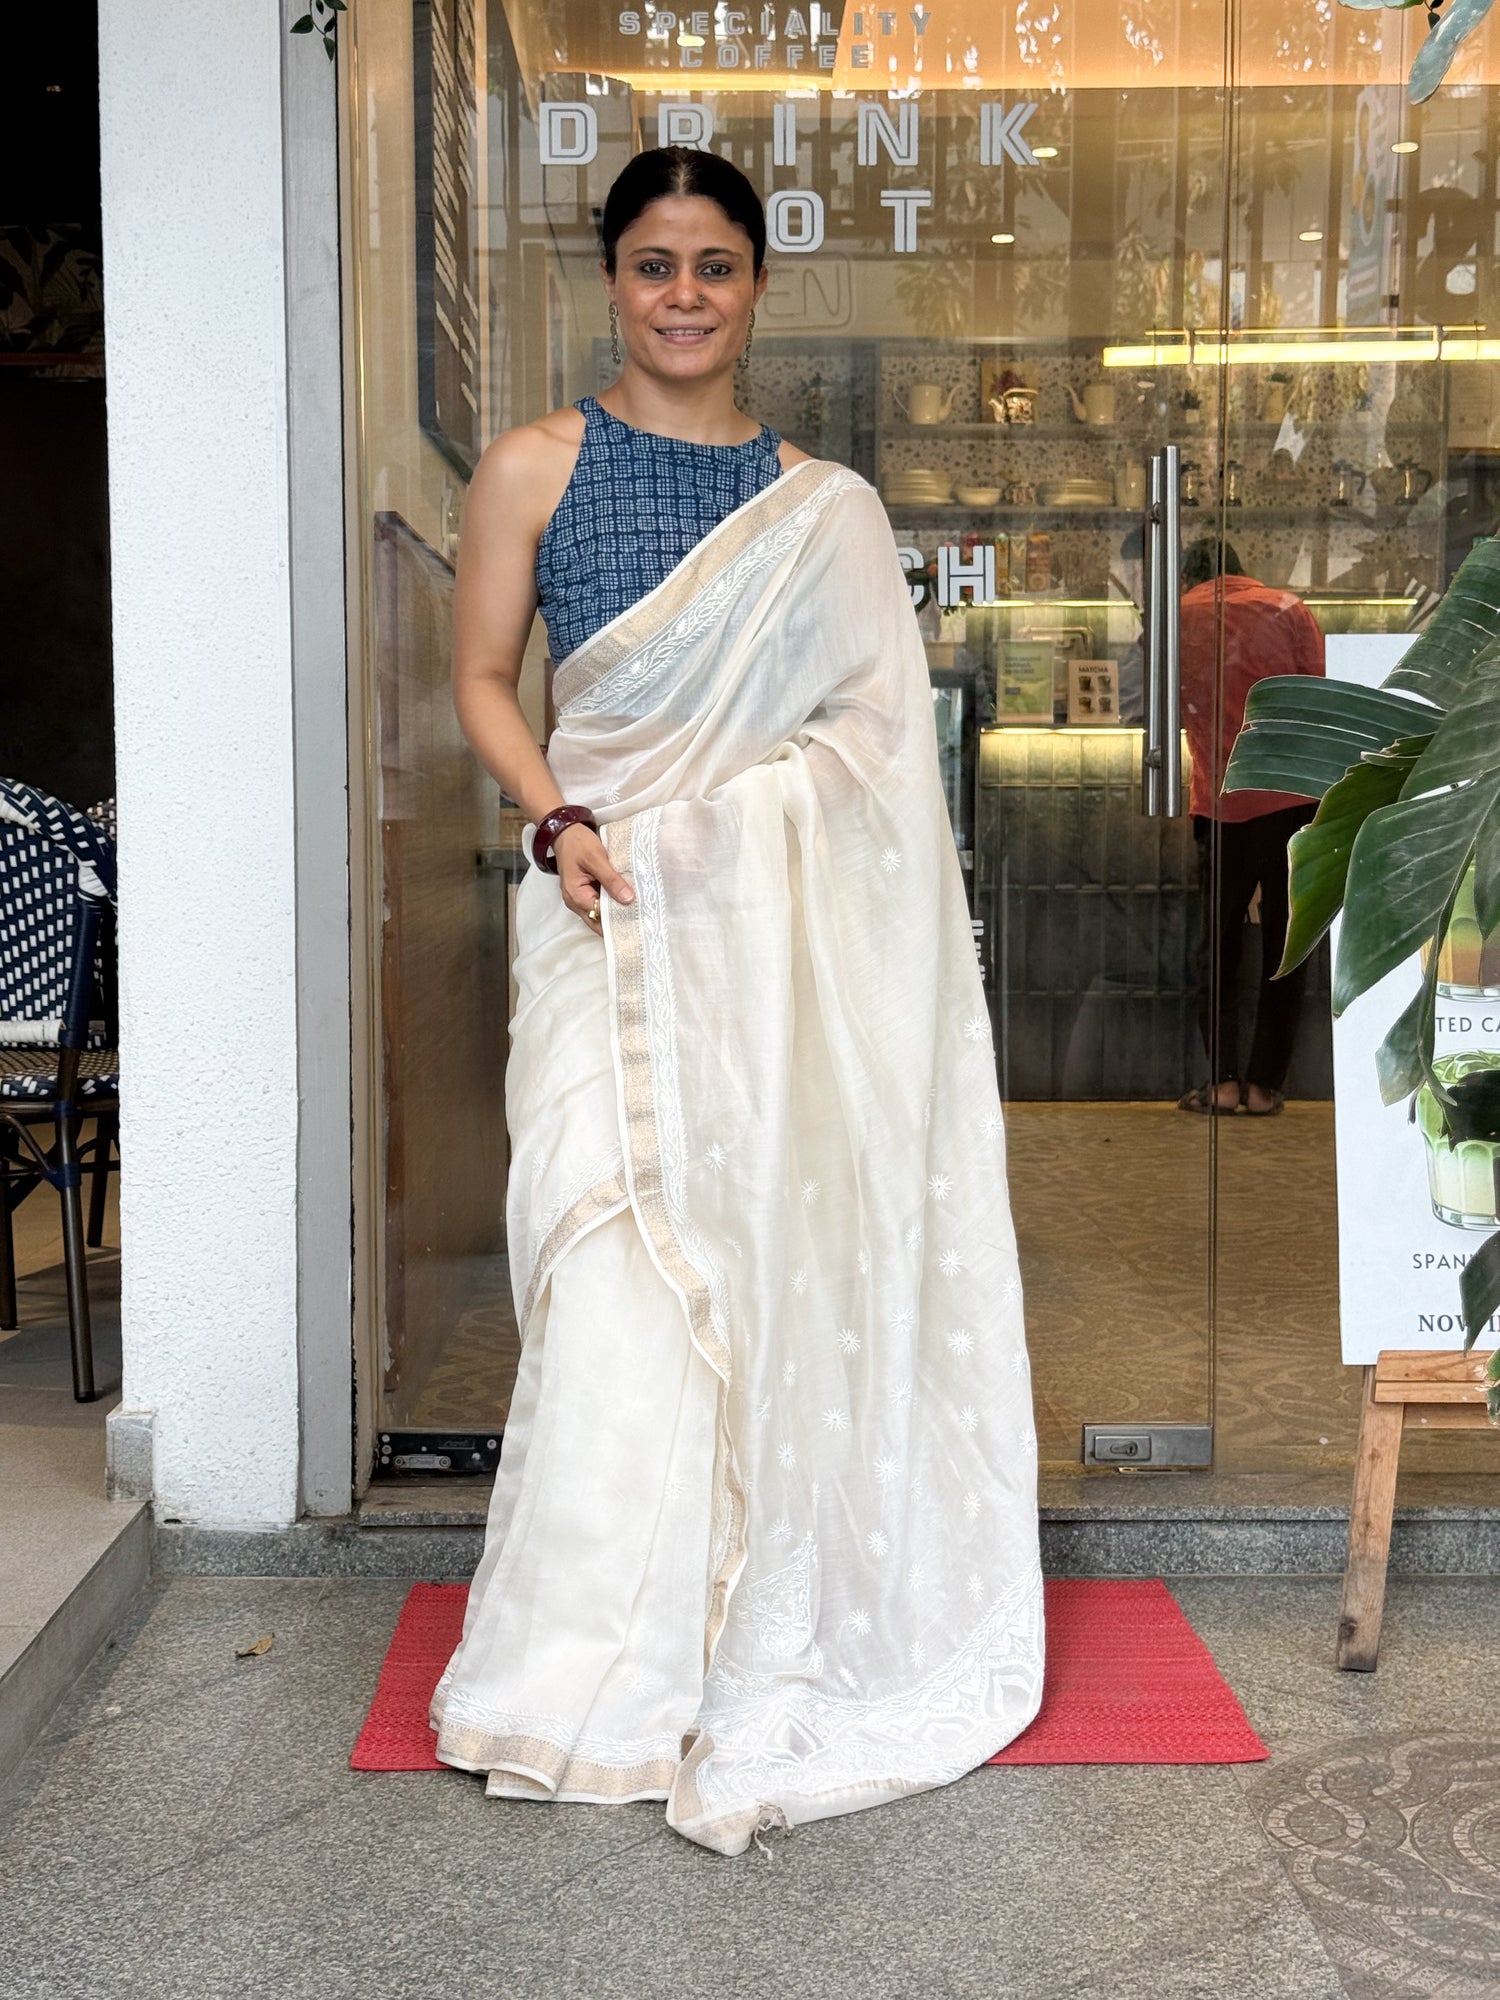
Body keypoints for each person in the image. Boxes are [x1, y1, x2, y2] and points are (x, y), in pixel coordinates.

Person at [430, 147, 1044, 1857]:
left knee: (750, 1252)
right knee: (596, 1238)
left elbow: (865, 755)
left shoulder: (821, 508)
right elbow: (486, 679)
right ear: (608, 282)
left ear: (755, 286)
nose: (682, 295)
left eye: (713, 265)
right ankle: (582, 1672)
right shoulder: (532, 468)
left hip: (752, 942)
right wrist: (557, 815)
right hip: (594, 908)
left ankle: (724, 1640)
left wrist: (722, 833)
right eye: (651, 265)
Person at [1175, 539, 1325, 1117]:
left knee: (1219, 946)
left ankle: (1223, 1083)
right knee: (1286, 947)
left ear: (1189, 574)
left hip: (1222, 804)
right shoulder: (1289, 608)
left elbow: (1158, 700)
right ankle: (1264, 1087)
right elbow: (1318, 698)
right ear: (1242, 570)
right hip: (1294, 802)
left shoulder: (1179, 614)